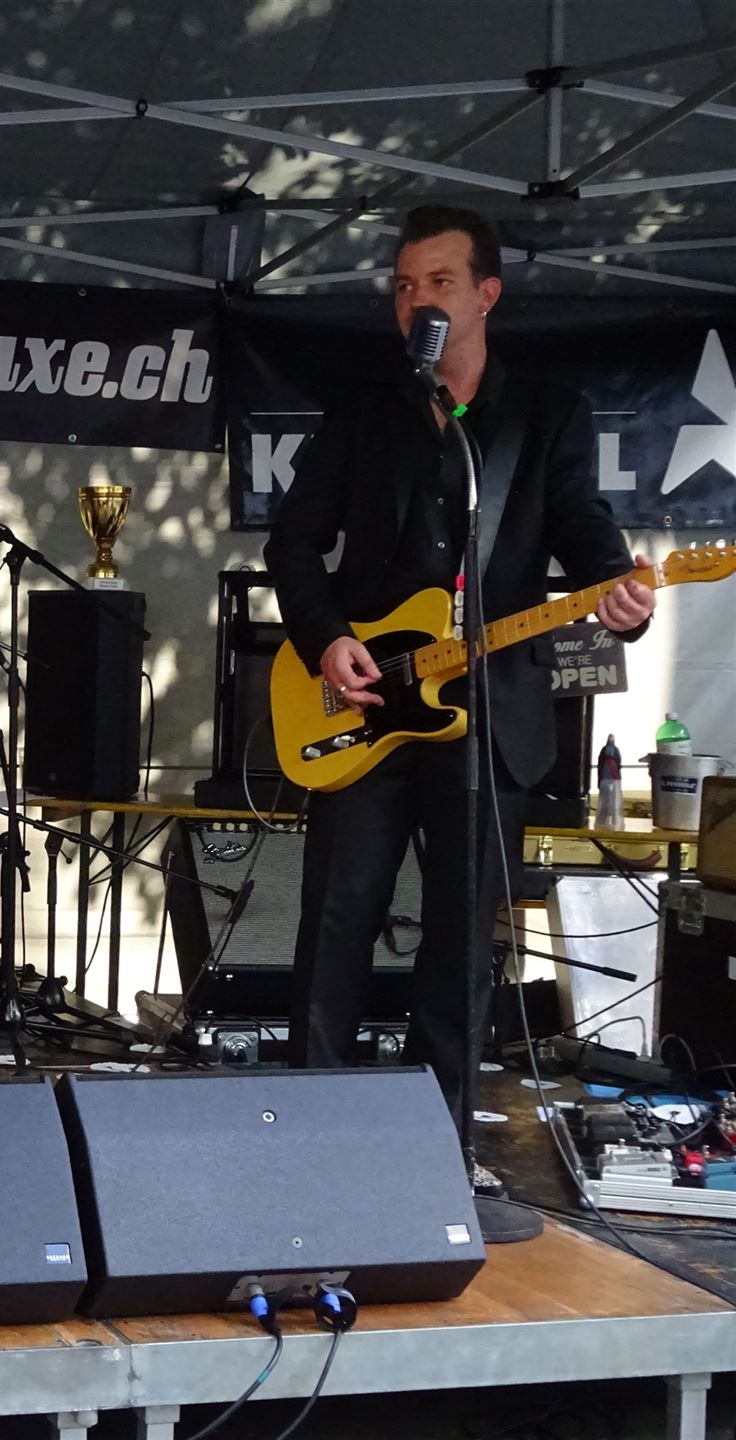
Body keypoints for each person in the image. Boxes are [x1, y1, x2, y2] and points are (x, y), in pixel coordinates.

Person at [263, 204, 655, 1147]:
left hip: (487, 709)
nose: (418, 302)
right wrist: (326, 640)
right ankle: (305, 1131)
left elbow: (582, 522)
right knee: (337, 918)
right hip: (366, 701)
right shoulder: (366, 411)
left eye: (438, 283)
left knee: (461, 939)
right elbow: (294, 544)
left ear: (486, 294)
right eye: (404, 287)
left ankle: (434, 1141)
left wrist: (617, 588)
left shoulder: (546, 413)